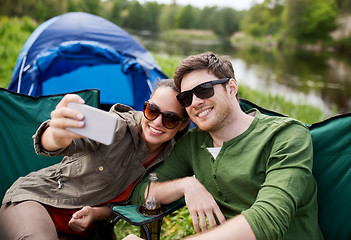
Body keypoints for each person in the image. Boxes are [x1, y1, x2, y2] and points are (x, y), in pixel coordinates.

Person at [126, 52, 323, 239]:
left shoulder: (286, 135)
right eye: (186, 97)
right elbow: (142, 192)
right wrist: (186, 185)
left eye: (203, 90)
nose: (194, 102)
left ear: (231, 88)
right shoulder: (193, 143)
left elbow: (269, 220)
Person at [0, 79, 189, 240]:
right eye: (152, 110)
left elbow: (132, 202)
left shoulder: (173, 156)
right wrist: (56, 135)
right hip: (38, 202)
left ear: (182, 125)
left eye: (170, 118)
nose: (156, 122)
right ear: (145, 105)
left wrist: (97, 213)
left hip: (86, 229)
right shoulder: (117, 126)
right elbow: (57, 142)